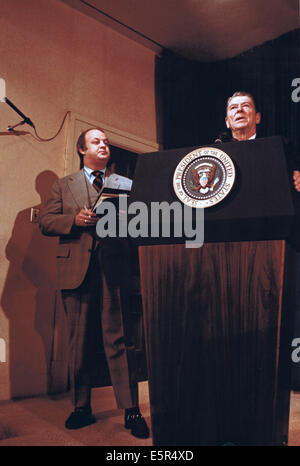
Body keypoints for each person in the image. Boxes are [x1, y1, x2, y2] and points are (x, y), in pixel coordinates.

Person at [39, 127, 149, 439]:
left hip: (114, 269)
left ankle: (131, 410)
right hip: (76, 272)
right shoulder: (63, 185)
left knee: (119, 340)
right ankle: (81, 408)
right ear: (81, 149)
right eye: (96, 141)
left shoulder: (125, 184)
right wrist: (73, 221)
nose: (103, 145)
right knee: (78, 343)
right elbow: (47, 222)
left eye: (105, 142)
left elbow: (140, 222)